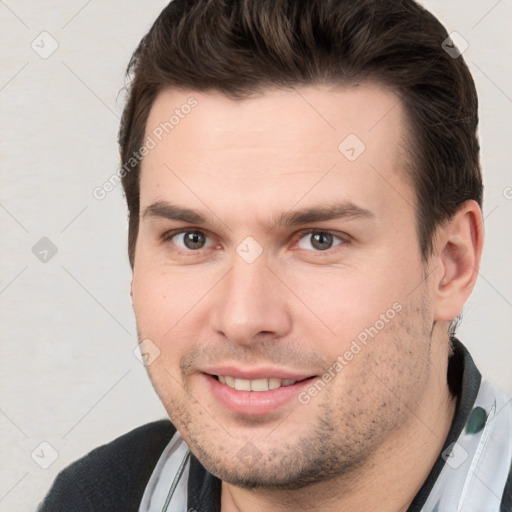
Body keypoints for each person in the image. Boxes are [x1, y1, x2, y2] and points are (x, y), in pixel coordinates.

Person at [39, 0, 512, 510]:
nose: (243, 319)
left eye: (319, 240)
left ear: (450, 263)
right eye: (192, 238)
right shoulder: (97, 497)